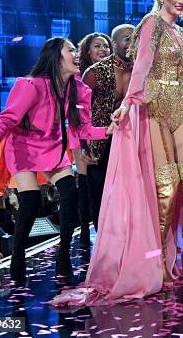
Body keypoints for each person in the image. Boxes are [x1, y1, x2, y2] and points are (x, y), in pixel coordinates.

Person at [51, 0, 183, 307]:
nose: (180, 1)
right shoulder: (150, 24)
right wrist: (129, 104)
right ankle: (160, 261)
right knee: (166, 189)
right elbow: (142, 67)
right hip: (154, 112)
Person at [0, 37, 110, 283]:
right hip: (22, 148)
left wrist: (108, 129)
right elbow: (8, 117)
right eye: (70, 50)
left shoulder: (78, 89)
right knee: (30, 202)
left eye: (75, 50)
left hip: (53, 146)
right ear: (55, 56)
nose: (76, 54)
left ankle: (63, 255)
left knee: (70, 194)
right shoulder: (30, 85)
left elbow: (83, 128)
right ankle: (17, 255)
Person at [81, 24, 135, 236]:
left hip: (132, 139)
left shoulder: (142, 71)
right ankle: (102, 240)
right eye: (127, 39)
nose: (132, 44)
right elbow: (81, 113)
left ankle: (129, 240)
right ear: (114, 43)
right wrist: (85, 145)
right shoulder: (95, 72)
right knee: (100, 194)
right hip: (102, 140)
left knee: (131, 194)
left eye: (135, 39)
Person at [74, 32, 113, 250]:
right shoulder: (81, 77)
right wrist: (82, 145)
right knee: (88, 188)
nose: (102, 50)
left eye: (106, 46)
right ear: (87, 51)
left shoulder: (113, 73)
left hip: (108, 135)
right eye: (97, 46)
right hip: (84, 139)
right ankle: (84, 232)